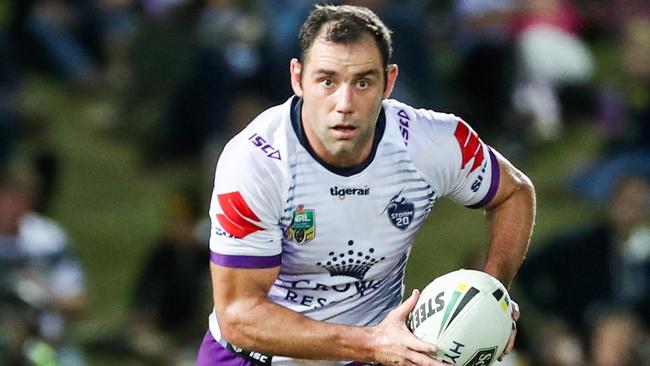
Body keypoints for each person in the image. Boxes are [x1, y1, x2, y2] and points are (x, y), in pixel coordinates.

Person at [197, 5, 536, 365]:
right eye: (326, 81)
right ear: (297, 78)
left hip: (368, 353)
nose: (344, 104)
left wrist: (492, 291)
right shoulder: (256, 163)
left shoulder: (432, 142)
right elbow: (239, 317)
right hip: (254, 357)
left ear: (388, 82)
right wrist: (372, 344)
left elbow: (514, 193)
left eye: (362, 82)